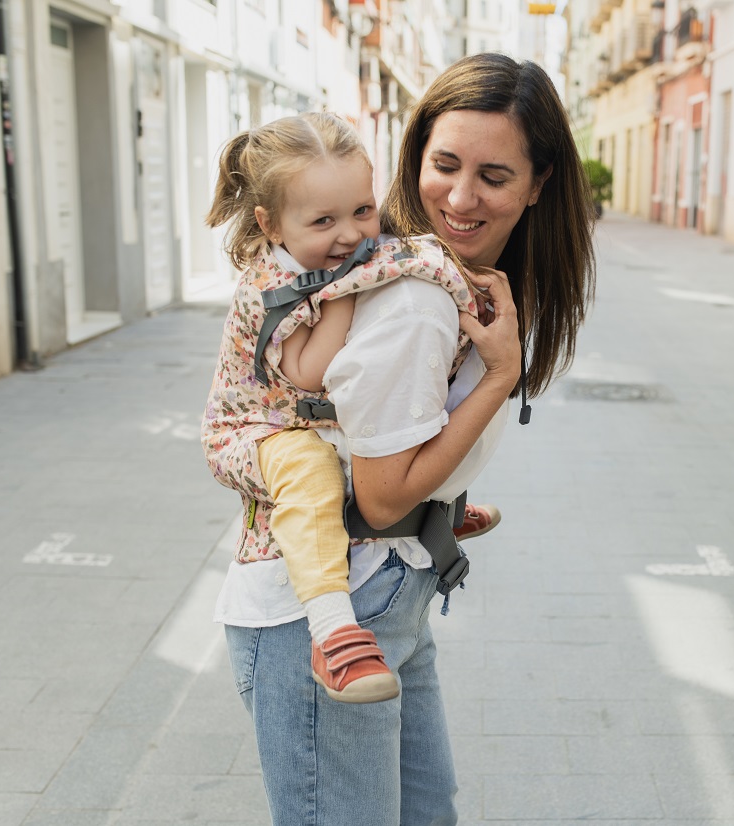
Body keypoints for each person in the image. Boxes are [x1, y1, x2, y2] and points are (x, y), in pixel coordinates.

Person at [213, 53, 596, 826]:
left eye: (493, 175)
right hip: (331, 606)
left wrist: (445, 508)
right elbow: (385, 496)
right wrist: (496, 378)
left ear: (539, 182)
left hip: (396, 586)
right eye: (443, 164)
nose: (459, 196)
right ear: (415, 155)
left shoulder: (447, 277)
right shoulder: (420, 296)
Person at [201, 112, 502, 704]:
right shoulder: (275, 285)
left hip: (301, 419)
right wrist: (345, 293)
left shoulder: (332, 254)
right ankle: (333, 631)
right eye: (323, 221)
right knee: (311, 473)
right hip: (252, 430)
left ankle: (426, 507)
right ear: (271, 224)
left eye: (362, 211)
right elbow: (310, 372)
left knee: (362, 427)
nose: (351, 236)